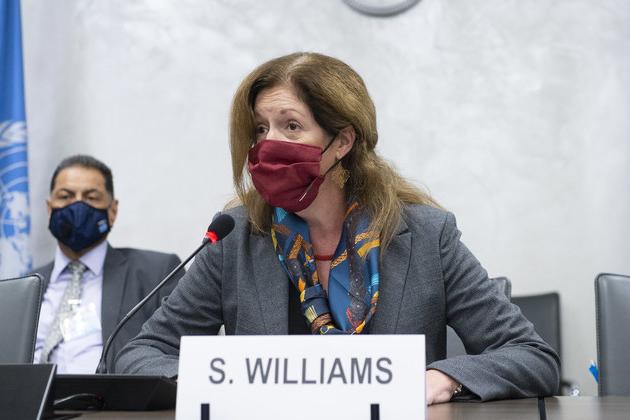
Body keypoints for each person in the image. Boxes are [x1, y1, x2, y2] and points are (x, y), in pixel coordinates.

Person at [116, 53, 560, 403]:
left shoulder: (427, 234)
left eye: (291, 126)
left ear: (343, 141)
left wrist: (444, 378)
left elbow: (532, 357)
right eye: (261, 128)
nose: (269, 144)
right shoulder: (236, 236)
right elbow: (140, 354)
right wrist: (213, 383)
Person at [33, 154, 182, 373]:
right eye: (65, 196)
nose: (77, 205)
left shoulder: (158, 272)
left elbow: (182, 353)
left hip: (110, 396)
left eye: (91, 197)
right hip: (29, 395)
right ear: (49, 208)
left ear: (112, 211)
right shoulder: (25, 286)